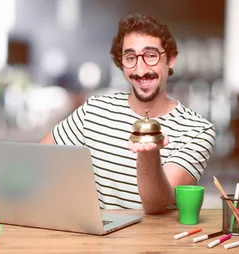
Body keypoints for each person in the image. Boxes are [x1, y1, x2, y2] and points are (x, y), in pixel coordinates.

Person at [39, 13, 216, 214]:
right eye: (130, 58)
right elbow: (39, 159)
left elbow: (157, 204)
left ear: (171, 59)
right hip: (95, 240)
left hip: (158, 244)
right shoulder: (95, 109)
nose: (140, 70)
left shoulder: (197, 130)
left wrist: (149, 154)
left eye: (151, 56)